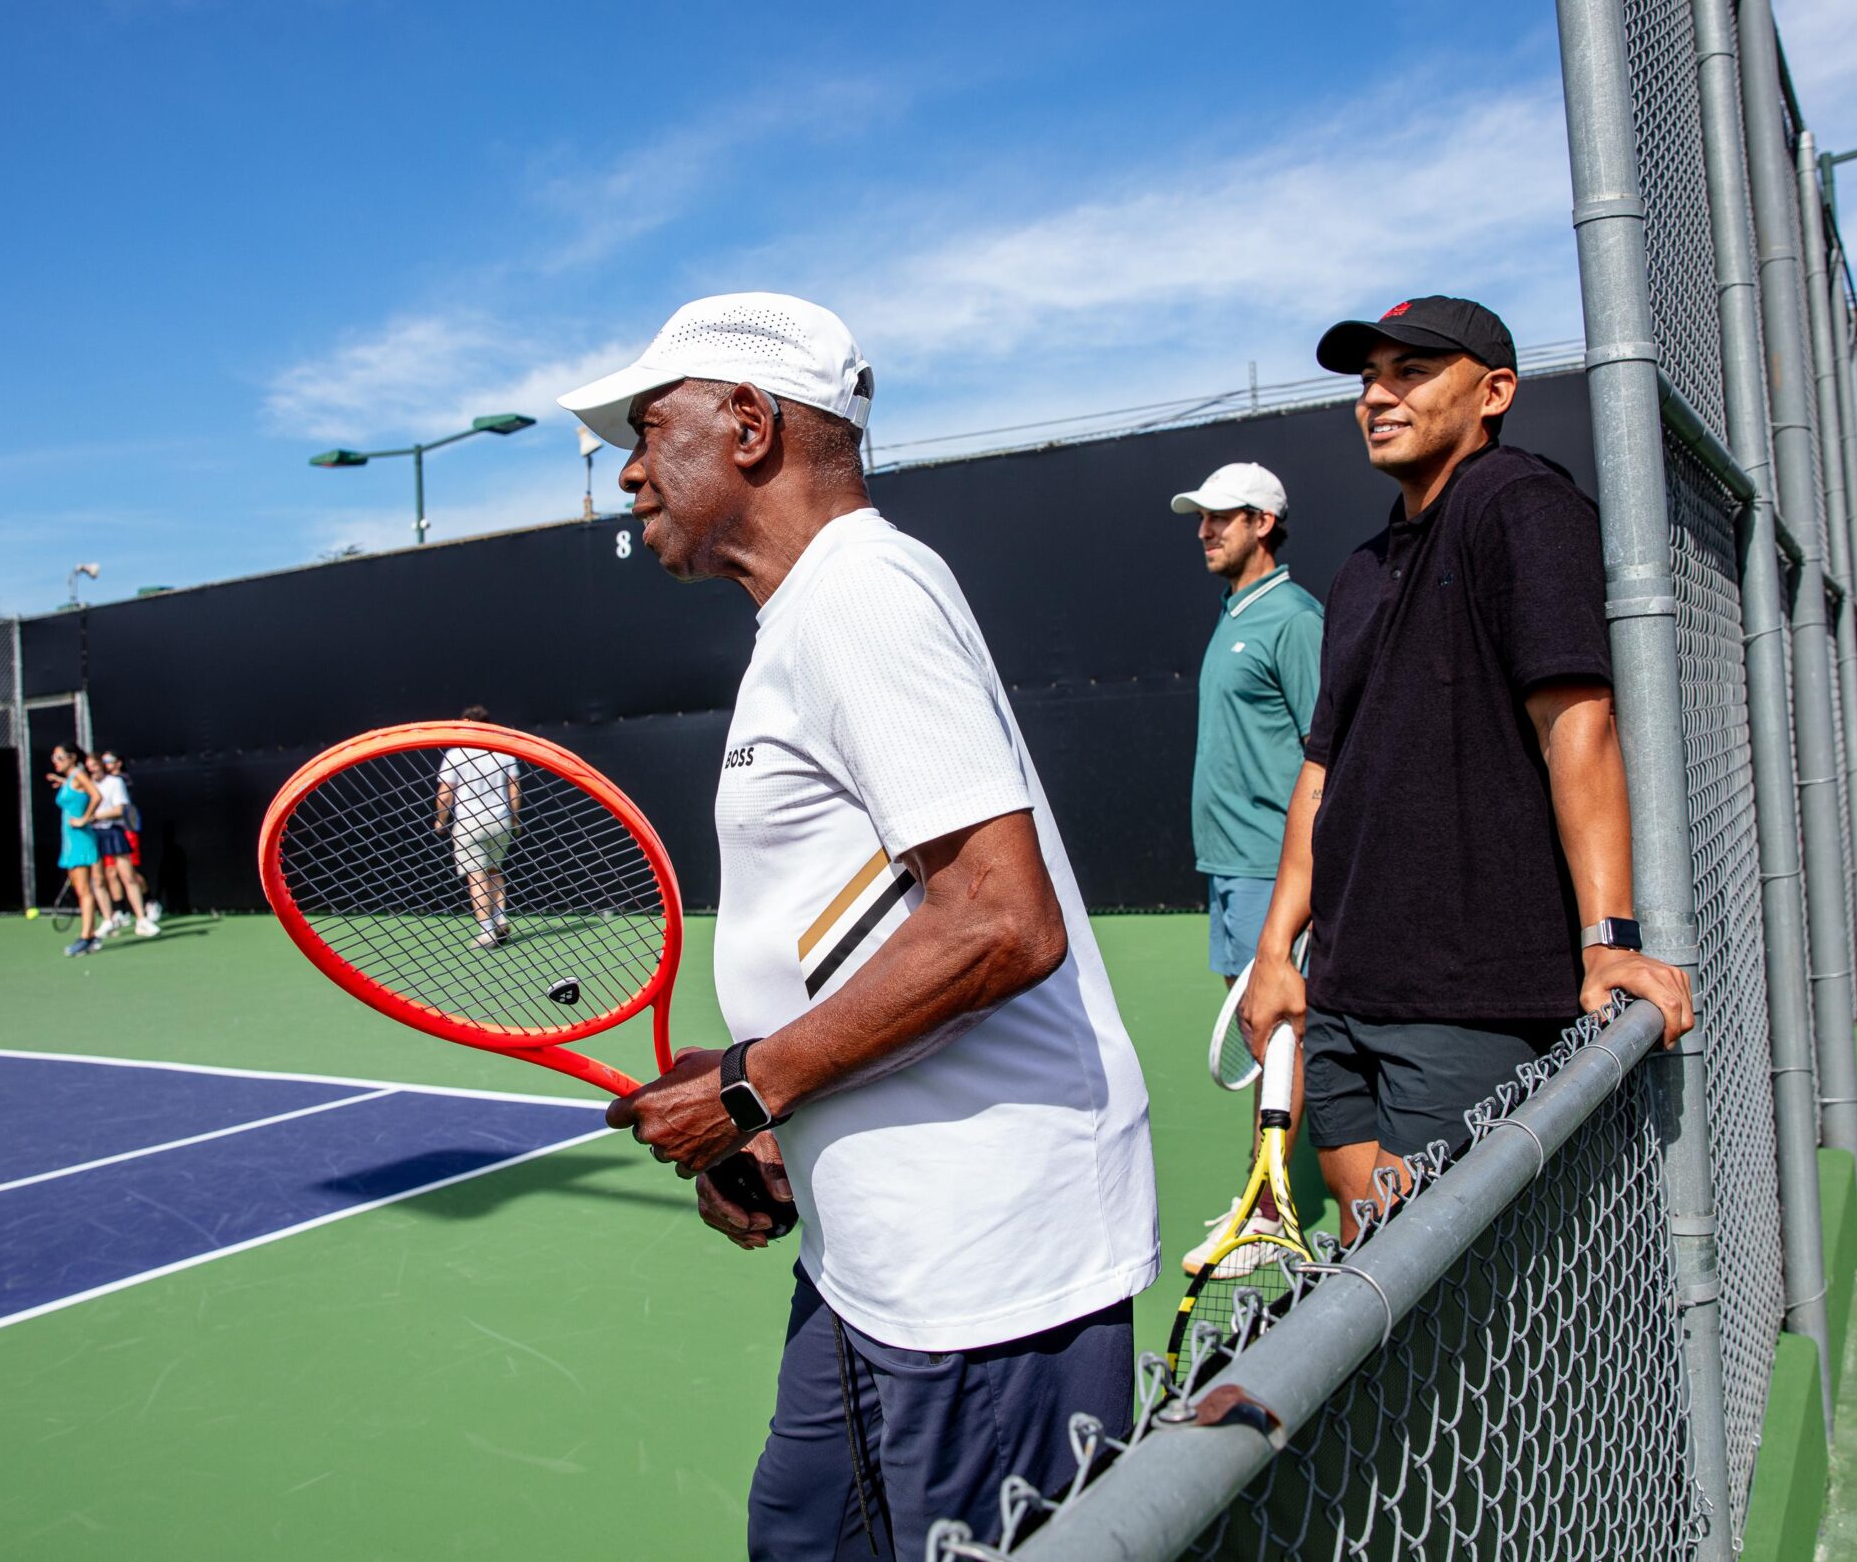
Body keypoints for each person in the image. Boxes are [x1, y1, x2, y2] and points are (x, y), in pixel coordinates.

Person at [558, 293, 1157, 1562]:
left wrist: (750, 1084)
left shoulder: (858, 597)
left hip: (977, 1275)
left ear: (751, 426)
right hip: (867, 1258)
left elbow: (1000, 922)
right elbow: (887, 916)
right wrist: (781, 1115)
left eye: (647, 426)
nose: (625, 465)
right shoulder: (822, 608)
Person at [1237, 295, 1696, 1248]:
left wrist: (1608, 937)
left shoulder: (1521, 506)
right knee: (1368, 1273)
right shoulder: (1363, 569)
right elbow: (1322, 769)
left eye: (1411, 372)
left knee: (1439, 1304)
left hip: (1465, 998)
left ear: (1494, 392)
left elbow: (1580, 723)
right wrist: (1278, 951)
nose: (1377, 396)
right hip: (1345, 991)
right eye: (1368, 379)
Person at [1168, 460, 1322, 1277]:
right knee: (1272, 1038)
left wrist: (1305, 881)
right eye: (1201, 517)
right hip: (1232, 868)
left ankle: (1267, 1213)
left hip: (1272, 869)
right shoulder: (1238, 614)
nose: (1205, 529)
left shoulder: (1292, 619)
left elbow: (1329, 752)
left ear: (1264, 521)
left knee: (1281, 1032)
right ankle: (1264, 1193)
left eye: (1222, 516)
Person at [435, 707, 520, 946]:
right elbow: (514, 789)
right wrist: (514, 819)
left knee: (477, 876)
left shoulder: (456, 754)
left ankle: (487, 931)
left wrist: (441, 820)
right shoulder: (503, 752)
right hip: (500, 821)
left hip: (469, 823)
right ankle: (500, 919)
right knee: (494, 870)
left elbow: (446, 793)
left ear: (466, 722)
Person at [87, 752, 159, 939]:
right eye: (88, 766)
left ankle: (142, 918)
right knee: (100, 878)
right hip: (94, 835)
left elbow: (120, 809)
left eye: (94, 765)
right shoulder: (86, 785)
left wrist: (95, 816)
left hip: (116, 831)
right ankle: (109, 919)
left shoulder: (117, 781)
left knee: (128, 875)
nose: (91, 769)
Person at [47, 745, 106, 957]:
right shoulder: (72, 777)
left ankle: (87, 937)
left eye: (60, 757)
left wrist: (84, 818)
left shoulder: (79, 774)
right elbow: (76, 790)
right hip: (69, 841)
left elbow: (96, 795)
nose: (56, 760)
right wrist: (62, 781)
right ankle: (89, 935)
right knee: (81, 890)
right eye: (54, 757)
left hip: (80, 839)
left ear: (72, 758)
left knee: (84, 890)